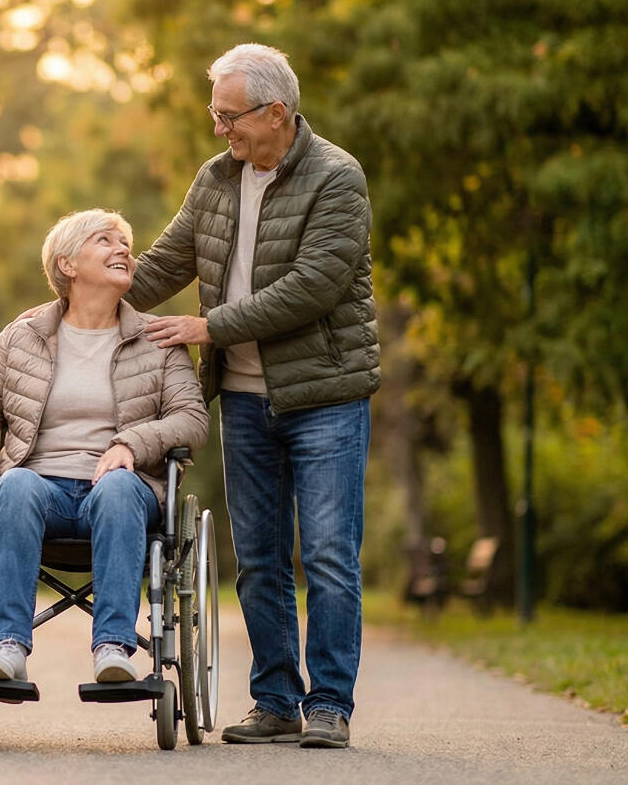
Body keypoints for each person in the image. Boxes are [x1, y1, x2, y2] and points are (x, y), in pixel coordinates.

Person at [127, 44, 379, 749]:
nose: (220, 131)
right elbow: (165, 263)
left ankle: (329, 703)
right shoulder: (215, 180)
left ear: (277, 112)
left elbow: (312, 288)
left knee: (329, 553)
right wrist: (80, 300)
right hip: (240, 398)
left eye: (229, 116)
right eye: (215, 115)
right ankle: (275, 700)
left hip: (324, 395)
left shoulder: (338, 178)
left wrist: (208, 326)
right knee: (261, 558)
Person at [0, 208, 207, 688]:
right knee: (12, 484)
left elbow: (193, 419)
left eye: (124, 242)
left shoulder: (158, 341)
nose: (123, 249)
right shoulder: (22, 338)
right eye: (105, 240)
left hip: (123, 492)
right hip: (38, 492)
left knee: (118, 488)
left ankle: (114, 648)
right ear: (67, 265)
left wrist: (130, 445)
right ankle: (6, 646)